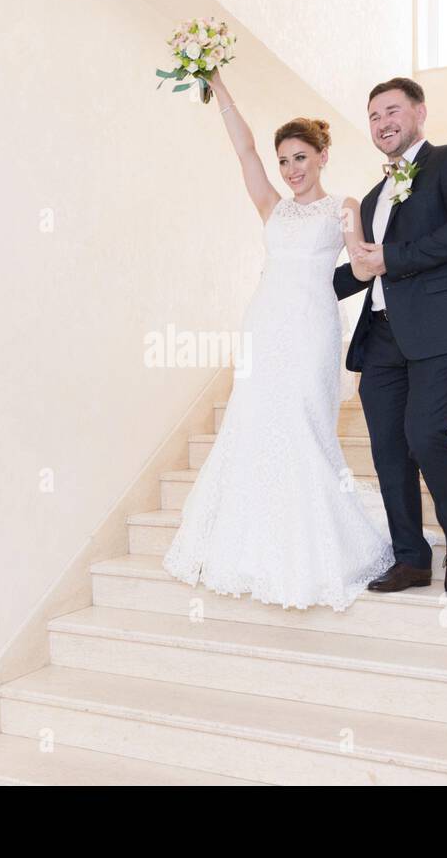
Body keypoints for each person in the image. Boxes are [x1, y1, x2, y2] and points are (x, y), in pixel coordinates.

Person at [161, 69, 394, 612]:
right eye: (284, 160)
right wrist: (217, 83)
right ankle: (256, 544)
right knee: (257, 424)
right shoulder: (272, 206)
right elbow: (244, 151)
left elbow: (359, 269)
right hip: (265, 326)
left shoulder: (344, 207)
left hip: (312, 328)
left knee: (304, 425)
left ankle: (316, 547)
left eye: (300, 158)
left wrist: (379, 261)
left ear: (321, 156)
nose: (290, 170)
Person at [334, 78, 447, 598]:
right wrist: (298, 286)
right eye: (374, 116)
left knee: (426, 435)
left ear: (419, 112)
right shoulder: (370, 196)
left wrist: (393, 258)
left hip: (444, 327)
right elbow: (361, 266)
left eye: (392, 111)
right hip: (381, 336)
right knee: (387, 450)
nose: (383, 123)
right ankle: (410, 558)